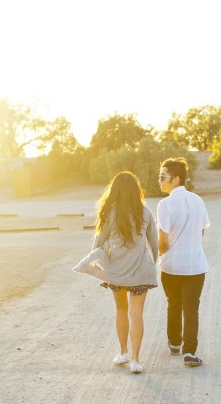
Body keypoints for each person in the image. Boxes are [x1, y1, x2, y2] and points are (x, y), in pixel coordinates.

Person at [84, 171, 158, 374]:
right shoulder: (146, 212)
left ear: (114, 190)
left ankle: (124, 351)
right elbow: (153, 243)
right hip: (141, 270)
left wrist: (94, 262)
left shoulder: (110, 213)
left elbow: (98, 242)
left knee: (121, 310)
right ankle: (135, 360)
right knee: (137, 313)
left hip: (117, 269)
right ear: (136, 190)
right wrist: (153, 264)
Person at [157, 158, 210, 367]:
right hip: (195, 265)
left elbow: (162, 240)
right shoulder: (198, 200)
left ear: (176, 179)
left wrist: (162, 255)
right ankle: (189, 352)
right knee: (191, 307)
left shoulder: (165, 204)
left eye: (163, 177)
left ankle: (174, 342)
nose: (159, 181)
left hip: (171, 265)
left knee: (173, 303)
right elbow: (202, 230)